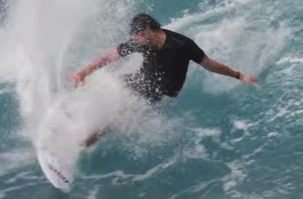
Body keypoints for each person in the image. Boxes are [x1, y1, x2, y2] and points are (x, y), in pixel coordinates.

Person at [69, 13, 258, 147]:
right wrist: (83, 72)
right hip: (141, 78)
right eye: (135, 37)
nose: (138, 41)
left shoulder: (182, 45)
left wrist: (240, 76)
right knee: (109, 84)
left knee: (121, 114)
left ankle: (86, 142)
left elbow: (210, 65)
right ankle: (70, 115)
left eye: (140, 36)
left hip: (161, 91)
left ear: (150, 31)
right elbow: (111, 56)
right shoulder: (140, 41)